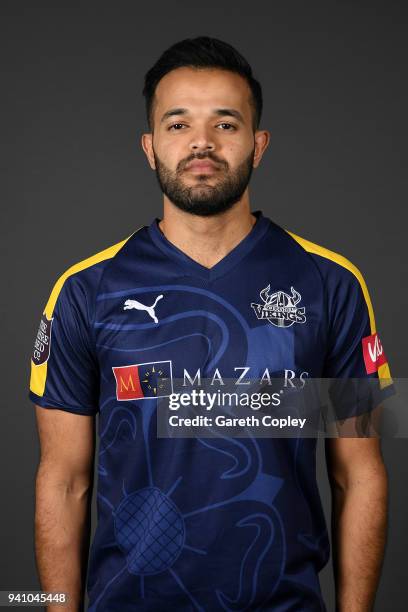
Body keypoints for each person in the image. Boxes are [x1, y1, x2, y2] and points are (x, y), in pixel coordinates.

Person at [29, 36, 394, 612]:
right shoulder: (85, 290)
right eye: (178, 125)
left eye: (226, 124)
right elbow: (64, 482)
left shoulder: (331, 282)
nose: (201, 142)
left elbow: (358, 473)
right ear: (150, 147)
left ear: (259, 143)